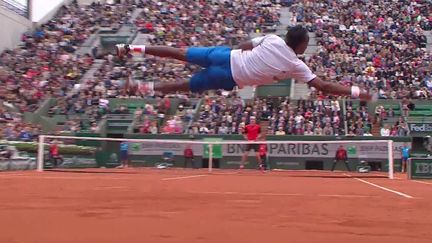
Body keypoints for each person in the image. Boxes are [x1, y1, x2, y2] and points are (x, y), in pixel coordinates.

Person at [116, 25, 372, 100]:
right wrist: (356, 91)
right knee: (184, 85)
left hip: (225, 56)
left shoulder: (272, 39)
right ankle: (140, 87)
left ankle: (129, 47)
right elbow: (325, 87)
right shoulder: (297, 66)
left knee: (180, 52)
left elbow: (245, 45)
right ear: (302, 45)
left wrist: (238, 56)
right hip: (231, 77)